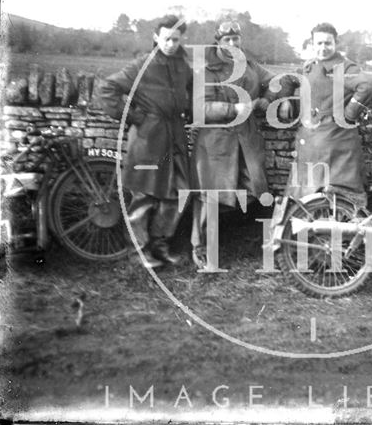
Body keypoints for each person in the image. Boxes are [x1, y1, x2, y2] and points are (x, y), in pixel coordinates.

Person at [190, 20, 295, 269]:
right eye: (226, 40)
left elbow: (279, 80)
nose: (232, 44)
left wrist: (277, 99)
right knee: (210, 196)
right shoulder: (206, 69)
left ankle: (256, 238)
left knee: (256, 187)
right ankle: (201, 246)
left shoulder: (249, 66)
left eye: (236, 39)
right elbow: (199, 108)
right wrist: (232, 108)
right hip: (216, 141)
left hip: (246, 138)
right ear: (218, 41)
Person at [98, 14, 191, 268]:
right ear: (156, 37)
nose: (171, 44)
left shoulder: (183, 65)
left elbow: (192, 92)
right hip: (148, 139)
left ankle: (161, 246)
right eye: (166, 39)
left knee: (177, 194)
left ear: (182, 39)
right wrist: (134, 116)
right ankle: (138, 252)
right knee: (144, 197)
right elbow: (107, 88)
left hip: (175, 137)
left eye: (175, 39)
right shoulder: (142, 65)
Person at [280, 22, 372, 201]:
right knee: (307, 199)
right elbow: (288, 79)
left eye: (328, 43)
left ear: (335, 44)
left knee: (333, 197)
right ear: (313, 44)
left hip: (334, 143)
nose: (323, 48)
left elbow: (367, 86)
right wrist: (285, 100)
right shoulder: (311, 65)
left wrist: (349, 114)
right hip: (311, 143)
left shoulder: (344, 67)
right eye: (319, 43)